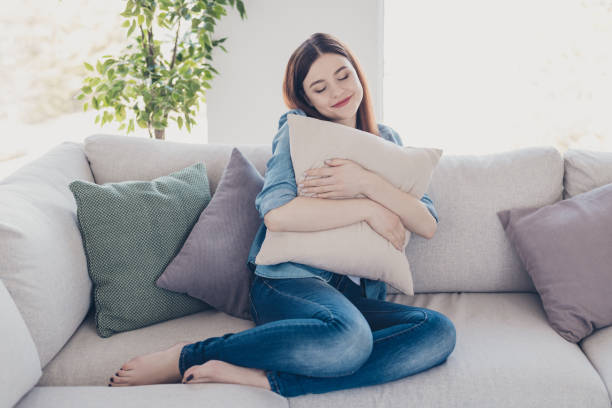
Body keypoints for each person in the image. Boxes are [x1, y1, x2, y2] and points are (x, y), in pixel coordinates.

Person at [107, 32, 456, 397]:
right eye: (320, 88)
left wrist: (366, 183)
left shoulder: (388, 140)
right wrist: (369, 210)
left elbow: (425, 222)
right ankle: (186, 356)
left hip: (351, 293)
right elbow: (276, 214)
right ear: (306, 99)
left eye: (343, 75)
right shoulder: (297, 132)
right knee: (350, 340)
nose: (338, 92)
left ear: (357, 72)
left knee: (437, 331)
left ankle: (269, 381)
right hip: (289, 282)